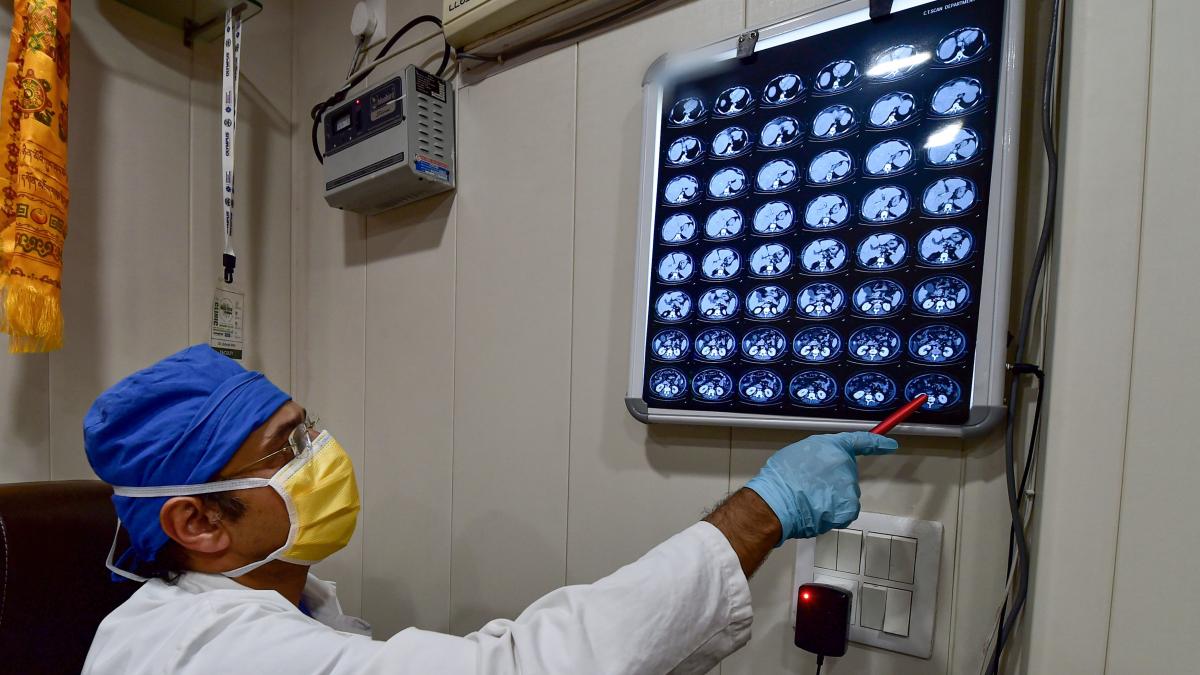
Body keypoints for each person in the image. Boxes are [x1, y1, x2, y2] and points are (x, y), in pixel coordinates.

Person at [82, 345, 897, 674]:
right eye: (288, 447)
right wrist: (762, 510)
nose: (323, 453)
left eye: (311, 426)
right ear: (198, 523)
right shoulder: (211, 653)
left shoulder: (277, 599)